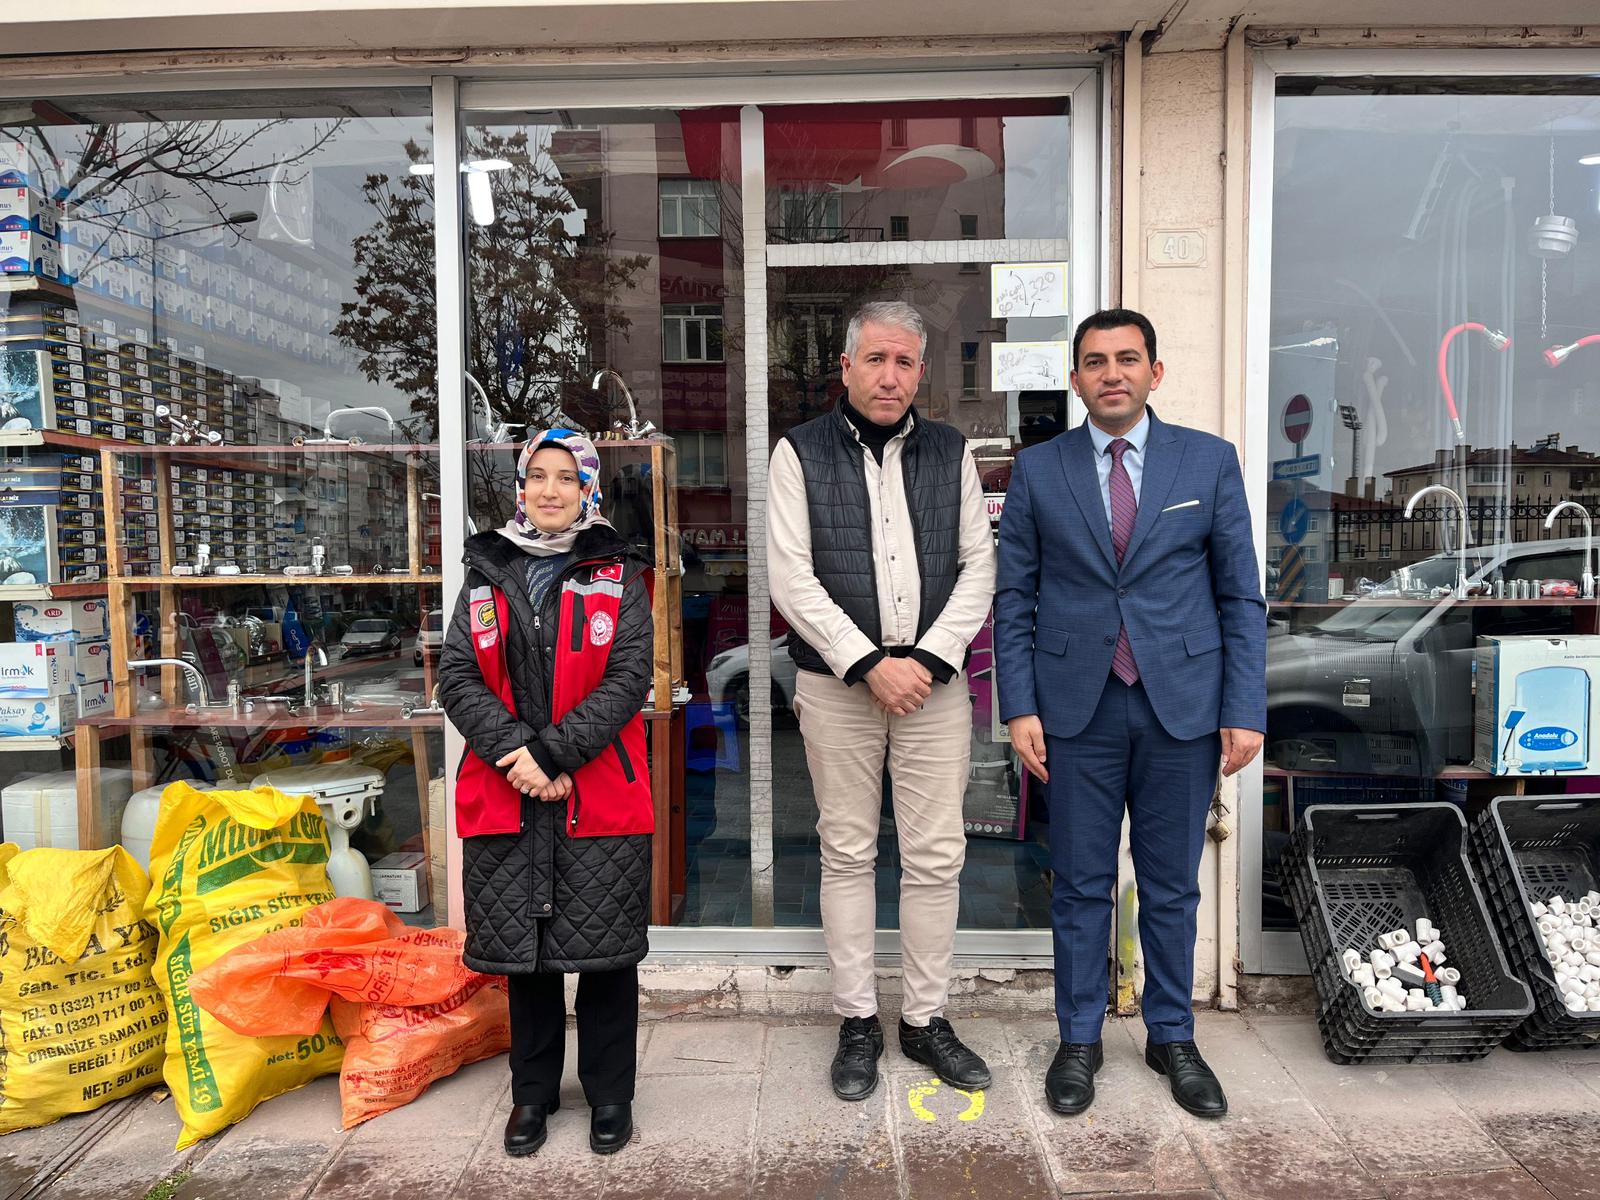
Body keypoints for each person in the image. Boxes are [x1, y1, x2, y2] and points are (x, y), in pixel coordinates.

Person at [994, 309, 1265, 1120]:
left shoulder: (1208, 460)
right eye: (1095, 361)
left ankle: (1171, 1035)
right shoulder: (1039, 469)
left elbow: (1239, 596)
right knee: (1080, 885)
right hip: (1075, 708)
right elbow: (1014, 597)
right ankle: (1079, 1038)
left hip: (1182, 707)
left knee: (1172, 885)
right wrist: (1019, 706)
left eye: (1127, 358)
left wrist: (1243, 707)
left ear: (1155, 371)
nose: (1111, 373)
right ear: (1076, 379)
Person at [769, 300, 997, 1101]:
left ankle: (925, 1020)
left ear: (921, 373)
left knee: (936, 856)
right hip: (838, 686)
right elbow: (790, 576)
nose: (890, 376)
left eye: (904, 362)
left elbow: (979, 565)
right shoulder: (798, 452)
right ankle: (858, 1020)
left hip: (932, 686)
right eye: (875, 359)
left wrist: (927, 658)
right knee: (847, 852)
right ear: (846, 367)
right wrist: (868, 662)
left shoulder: (951, 452)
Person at [439, 427, 654, 1157]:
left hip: (596, 791)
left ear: (587, 488)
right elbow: (456, 676)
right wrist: (517, 754)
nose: (551, 490)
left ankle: (610, 1094)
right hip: (508, 789)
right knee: (522, 960)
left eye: (567, 477)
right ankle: (531, 1095)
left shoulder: (617, 571)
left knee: (605, 958)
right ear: (521, 487)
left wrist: (552, 753)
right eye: (538, 476)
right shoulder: (486, 569)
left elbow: (629, 676)